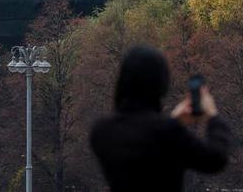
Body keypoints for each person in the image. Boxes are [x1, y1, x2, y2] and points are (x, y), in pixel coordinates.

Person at [90, 45, 230, 191]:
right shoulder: (169, 132)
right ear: (161, 83)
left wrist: (173, 122)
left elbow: (144, 147)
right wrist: (213, 116)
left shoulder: (101, 131)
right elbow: (215, 160)